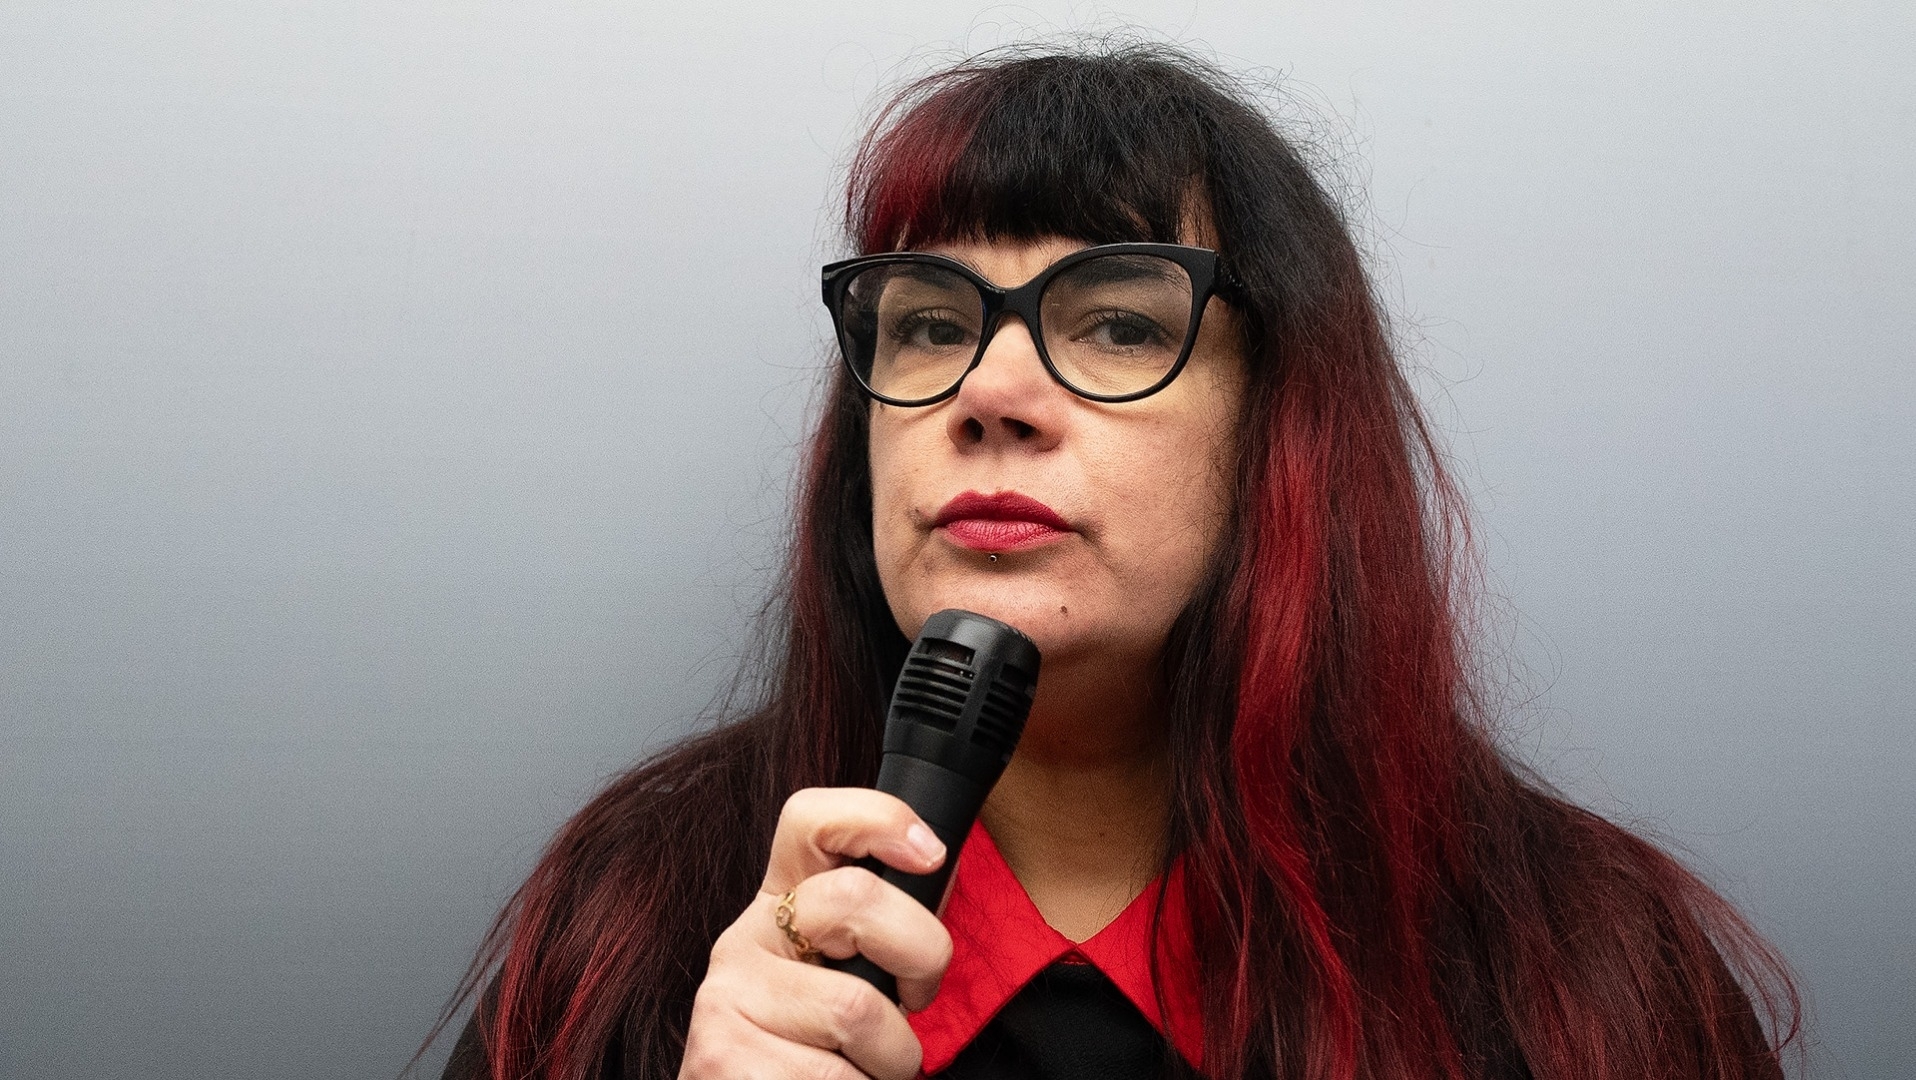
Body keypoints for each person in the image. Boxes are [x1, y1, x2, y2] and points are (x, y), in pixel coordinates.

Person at [427, 43, 1797, 1080]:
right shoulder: (636, 922)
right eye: (928, 323)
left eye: (1121, 324)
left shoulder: (1586, 974)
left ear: (1280, 428)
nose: (990, 393)